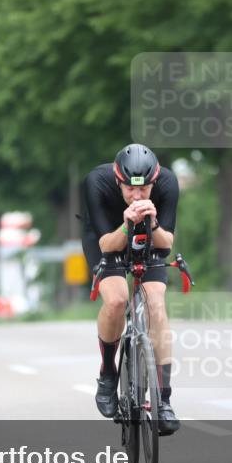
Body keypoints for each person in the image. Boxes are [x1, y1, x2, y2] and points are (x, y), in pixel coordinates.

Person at [81, 143, 180, 435]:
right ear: (118, 181)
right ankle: (108, 372)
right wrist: (126, 225)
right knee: (115, 300)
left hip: (149, 236)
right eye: (130, 190)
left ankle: (163, 400)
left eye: (144, 190)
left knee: (156, 305)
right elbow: (106, 245)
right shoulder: (96, 182)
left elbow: (167, 242)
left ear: (154, 182)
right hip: (107, 238)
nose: (137, 196)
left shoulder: (167, 183)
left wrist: (153, 221)